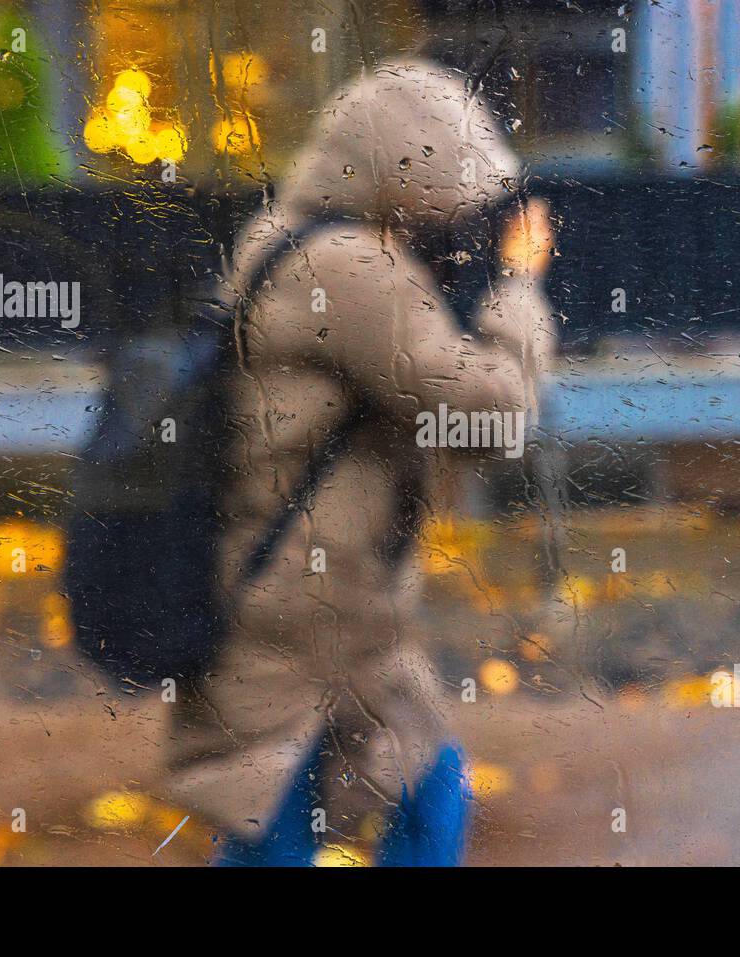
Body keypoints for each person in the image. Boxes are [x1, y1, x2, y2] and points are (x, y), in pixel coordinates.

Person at [163, 56, 556, 865]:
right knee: (361, 803)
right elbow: (491, 412)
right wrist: (519, 287)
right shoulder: (347, 269)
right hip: (307, 613)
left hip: (301, 595)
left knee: (329, 803)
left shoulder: (285, 240)